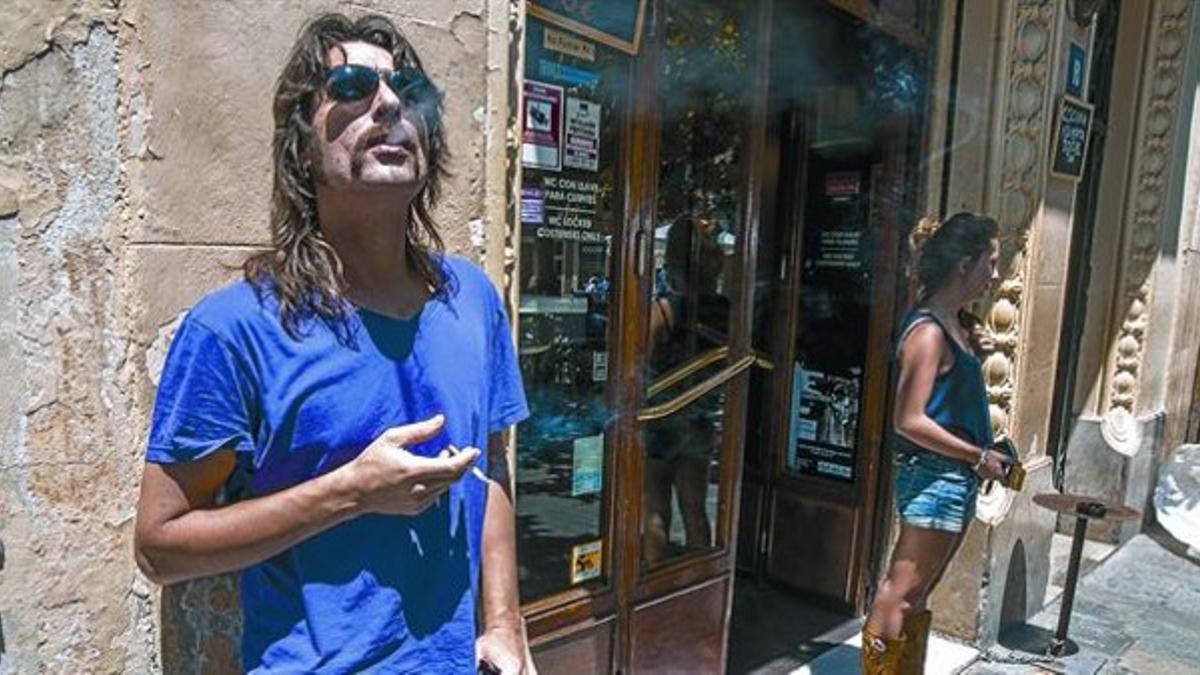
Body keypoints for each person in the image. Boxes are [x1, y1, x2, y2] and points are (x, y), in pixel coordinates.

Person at [133, 13, 531, 674]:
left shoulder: (473, 299)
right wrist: (351, 491)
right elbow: (160, 547)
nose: (391, 103)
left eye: (406, 89)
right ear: (302, 148)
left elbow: (491, 466)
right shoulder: (235, 330)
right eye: (351, 87)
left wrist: (504, 622)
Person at [861, 213, 1008, 674]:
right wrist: (977, 455)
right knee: (900, 593)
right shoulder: (928, 331)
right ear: (965, 263)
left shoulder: (951, 324)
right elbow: (908, 420)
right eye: (991, 261)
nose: (996, 274)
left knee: (913, 594)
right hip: (935, 476)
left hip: (948, 477)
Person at [642, 213, 727, 565]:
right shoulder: (726, 309)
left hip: (663, 418)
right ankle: (699, 582)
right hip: (703, 418)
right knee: (695, 508)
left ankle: (653, 582)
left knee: (655, 507)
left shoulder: (664, 309)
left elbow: (636, 363)